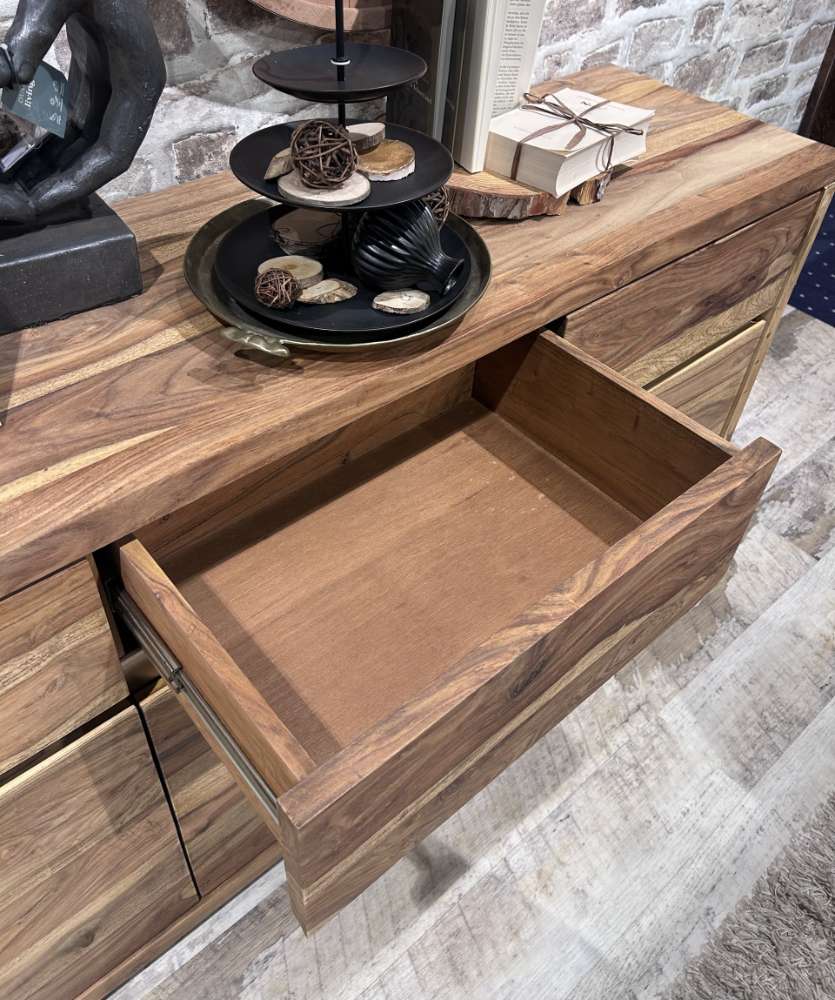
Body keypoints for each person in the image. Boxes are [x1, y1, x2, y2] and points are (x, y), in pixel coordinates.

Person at [0, 0, 164, 226]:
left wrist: (11, 60)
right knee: (68, 142)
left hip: (128, 93)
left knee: (88, 153)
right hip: (97, 74)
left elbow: (18, 63)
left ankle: (36, 204)